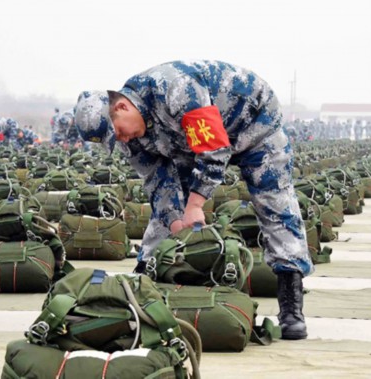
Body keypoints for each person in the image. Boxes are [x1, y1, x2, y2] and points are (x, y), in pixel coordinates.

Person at [74, 60, 314, 340]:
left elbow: (214, 149)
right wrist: (176, 221)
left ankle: (291, 307)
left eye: (118, 132)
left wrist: (195, 205)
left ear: (122, 107)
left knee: (275, 206)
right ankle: (142, 291)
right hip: (187, 144)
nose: (123, 141)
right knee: (165, 220)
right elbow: (158, 181)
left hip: (254, 127)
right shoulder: (131, 136)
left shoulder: (175, 89)